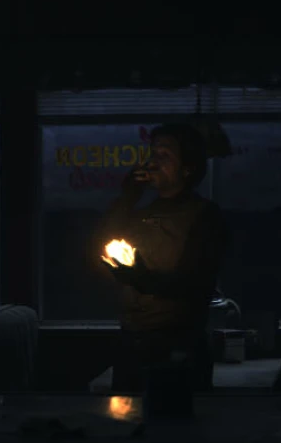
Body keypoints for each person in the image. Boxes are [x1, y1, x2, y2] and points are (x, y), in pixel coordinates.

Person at [97, 123, 229, 392]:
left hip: (177, 345)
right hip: (132, 343)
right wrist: (129, 195)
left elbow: (194, 284)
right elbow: (105, 239)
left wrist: (139, 278)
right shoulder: (144, 213)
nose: (152, 162)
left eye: (164, 155)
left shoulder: (204, 216)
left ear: (187, 168)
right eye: (152, 154)